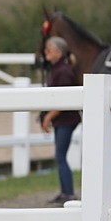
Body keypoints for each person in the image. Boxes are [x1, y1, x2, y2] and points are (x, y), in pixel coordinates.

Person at [41, 36, 81, 204]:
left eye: (49, 50)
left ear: (58, 52)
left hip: (66, 120)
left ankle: (69, 192)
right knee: (60, 155)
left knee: (60, 155)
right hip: (61, 120)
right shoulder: (56, 70)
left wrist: (48, 116)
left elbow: (65, 101)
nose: (46, 53)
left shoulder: (63, 71)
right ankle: (65, 191)